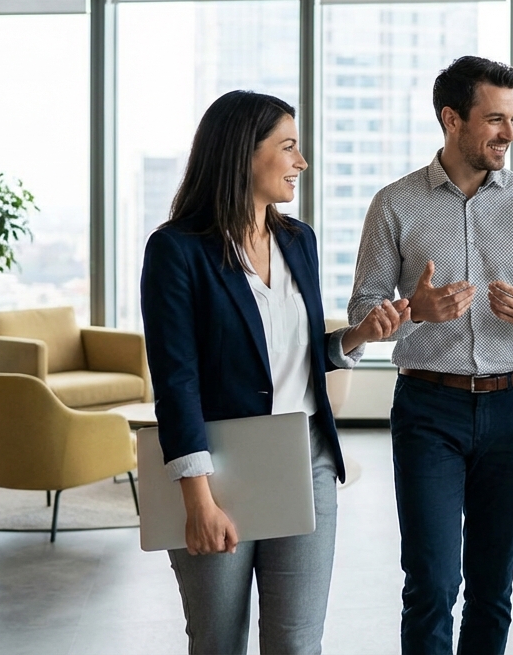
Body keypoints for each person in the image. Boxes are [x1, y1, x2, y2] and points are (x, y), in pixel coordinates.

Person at [141, 89, 409, 655]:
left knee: (297, 643)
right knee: (218, 641)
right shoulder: (176, 250)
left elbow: (300, 353)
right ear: (243, 154)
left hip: (305, 456)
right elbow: (176, 382)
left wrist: (358, 337)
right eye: (288, 147)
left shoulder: (298, 241)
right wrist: (199, 501)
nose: (301, 162)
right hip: (218, 468)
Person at [349, 55, 513, 655]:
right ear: (452, 119)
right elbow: (360, 314)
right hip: (428, 410)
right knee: (431, 583)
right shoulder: (395, 203)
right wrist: (413, 310)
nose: (509, 133)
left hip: (512, 408)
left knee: (492, 589)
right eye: (495, 119)